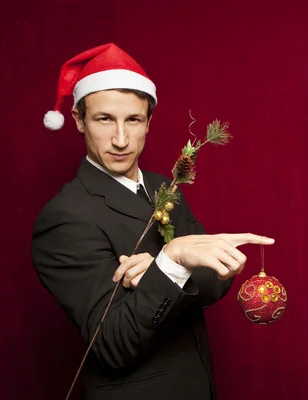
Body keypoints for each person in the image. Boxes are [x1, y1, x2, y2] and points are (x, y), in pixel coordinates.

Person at [31, 43, 274, 399]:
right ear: (79, 120)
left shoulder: (165, 186)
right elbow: (113, 344)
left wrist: (160, 272)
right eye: (104, 119)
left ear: (149, 122)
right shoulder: (65, 218)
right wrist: (172, 262)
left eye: (133, 119)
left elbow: (216, 284)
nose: (120, 139)